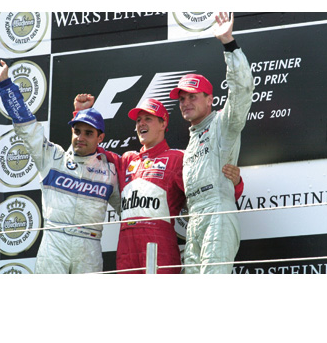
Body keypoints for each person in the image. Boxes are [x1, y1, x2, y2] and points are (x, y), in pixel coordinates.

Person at [73, 94, 244, 274]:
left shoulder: (179, 158)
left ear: (163, 124)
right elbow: (89, 149)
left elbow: (210, 191)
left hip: (160, 242)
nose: (141, 124)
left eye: (148, 119)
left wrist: (235, 182)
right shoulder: (126, 160)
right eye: (138, 120)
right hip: (126, 245)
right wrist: (82, 113)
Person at [0, 59, 120, 274]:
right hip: (54, 243)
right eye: (77, 131)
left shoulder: (110, 172)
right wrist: (5, 84)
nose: (80, 137)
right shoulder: (52, 157)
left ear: (100, 138)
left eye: (88, 133)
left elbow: (131, 211)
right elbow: (26, 126)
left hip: (90, 246)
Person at [169, 12, 254, 274]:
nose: (186, 103)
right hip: (194, 218)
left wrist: (229, 44)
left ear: (209, 100)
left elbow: (241, 91)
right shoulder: (191, 141)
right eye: (182, 99)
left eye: (193, 97)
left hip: (218, 212)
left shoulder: (223, 123)